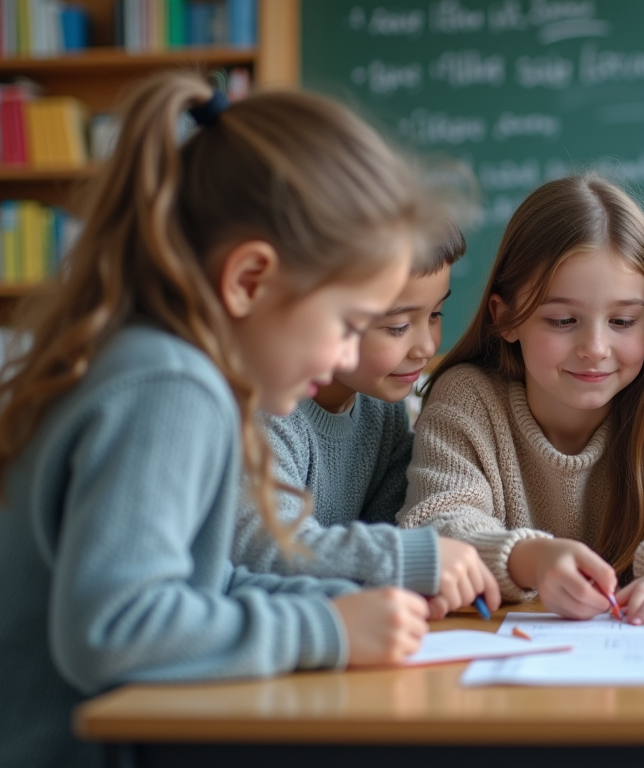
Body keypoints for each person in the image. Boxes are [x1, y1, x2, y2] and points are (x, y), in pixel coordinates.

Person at [0, 72, 433, 768]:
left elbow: (197, 588)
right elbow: (117, 626)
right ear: (249, 281)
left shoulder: (164, 367)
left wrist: (342, 600)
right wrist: (325, 627)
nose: (350, 355)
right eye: (348, 324)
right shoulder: (172, 388)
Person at [401, 174, 644, 625]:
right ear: (507, 317)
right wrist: (532, 558)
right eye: (562, 320)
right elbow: (435, 525)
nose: (595, 347)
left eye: (622, 321)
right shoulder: (468, 401)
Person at [232, 221, 501, 620]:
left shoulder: (384, 410)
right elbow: (267, 550)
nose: (427, 345)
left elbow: (392, 532)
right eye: (397, 327)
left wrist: (415, 583)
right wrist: (410, 560)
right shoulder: (268, 412)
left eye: (436, 313)